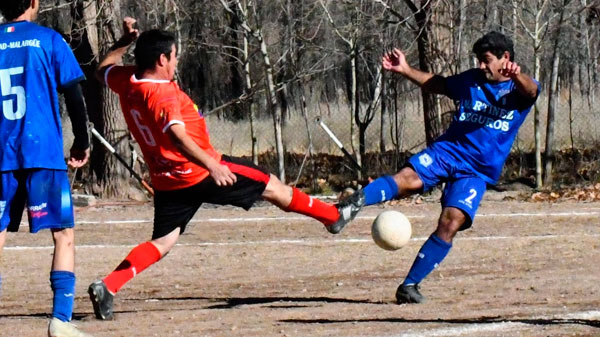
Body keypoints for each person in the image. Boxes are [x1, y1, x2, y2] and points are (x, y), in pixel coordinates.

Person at [87, 18, 342, 320]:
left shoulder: (127, 80)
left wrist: (123, 43)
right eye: (174, 56)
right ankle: (333, 216)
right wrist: (212, 166)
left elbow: (102, 69)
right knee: (270, 184)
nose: (176, 61)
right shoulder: (162, 93)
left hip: (166, 179)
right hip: (198, 172)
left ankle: (108, 285)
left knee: (164, 241)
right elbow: (176, 135)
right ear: (162, 59)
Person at [334, 31, 540, 304]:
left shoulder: (519, 89)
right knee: (408, 179)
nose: (481, 66)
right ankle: (349, 206)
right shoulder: (472, 80)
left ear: (506, 58)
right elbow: (438, 84)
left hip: (476, 171)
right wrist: (405, 70)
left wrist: (517, 76)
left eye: (487, 60)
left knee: (451, 221)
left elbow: (532, 91)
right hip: (448, 151)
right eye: (479, 60)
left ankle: (409, 286)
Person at [0, 1, 91, 336]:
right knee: (63, 234)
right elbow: (73, 93)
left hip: (1, 156)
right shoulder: (49, 39)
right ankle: (60, 321)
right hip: (42, 153)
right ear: (34, 3)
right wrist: (82, 140)